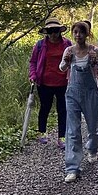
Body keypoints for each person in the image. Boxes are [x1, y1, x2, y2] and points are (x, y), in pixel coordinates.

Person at [59, 21, 98, 183]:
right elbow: (62, 68)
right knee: (72, 130)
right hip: (72, 93)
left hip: (90, 93)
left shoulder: (94, 50)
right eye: (75, 32)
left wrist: (96, 62)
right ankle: (72, 168)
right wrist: (66, 61)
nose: (78, 35)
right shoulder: (69, 50)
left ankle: (92, 148)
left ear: (87, 34)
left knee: (93, 126)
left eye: (81, 32)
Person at [29, 17, 72, 149]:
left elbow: (72, 61)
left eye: (56, 31)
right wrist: (33, 75)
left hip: (63, 82)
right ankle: (42, 132)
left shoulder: (67, 44)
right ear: (46, 32)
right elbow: (33, 62)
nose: (53, 34)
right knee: (45, 108)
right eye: (50, 31)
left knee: (63, 109)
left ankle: (62, 136)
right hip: (45, 82)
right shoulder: (40, 45)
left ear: (60, 31)